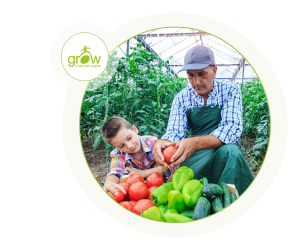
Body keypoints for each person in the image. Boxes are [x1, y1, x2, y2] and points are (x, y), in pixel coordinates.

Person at [153, 45, 254, 196]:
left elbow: (231, 129)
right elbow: (175, 131)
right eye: (191, 75)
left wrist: (194, 143)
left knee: (231, 151)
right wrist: (164, 142)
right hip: (194, 154)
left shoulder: (230, 90)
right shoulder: (182, 98)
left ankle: (232, 200)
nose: (196, 82)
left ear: (214, 72)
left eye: (202, 74)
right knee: (188, 191)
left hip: (221, 150)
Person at [101, 116, 174, 196]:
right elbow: (116, 172)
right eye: (122, 146)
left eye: (129, 138)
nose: (129, 146)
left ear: (134, 129)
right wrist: (109, 183)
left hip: (159, 190)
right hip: (136, 194)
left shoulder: (153, 143)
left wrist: (143, 173)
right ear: (115, 147)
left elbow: (167, 167)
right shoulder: (118, 155)